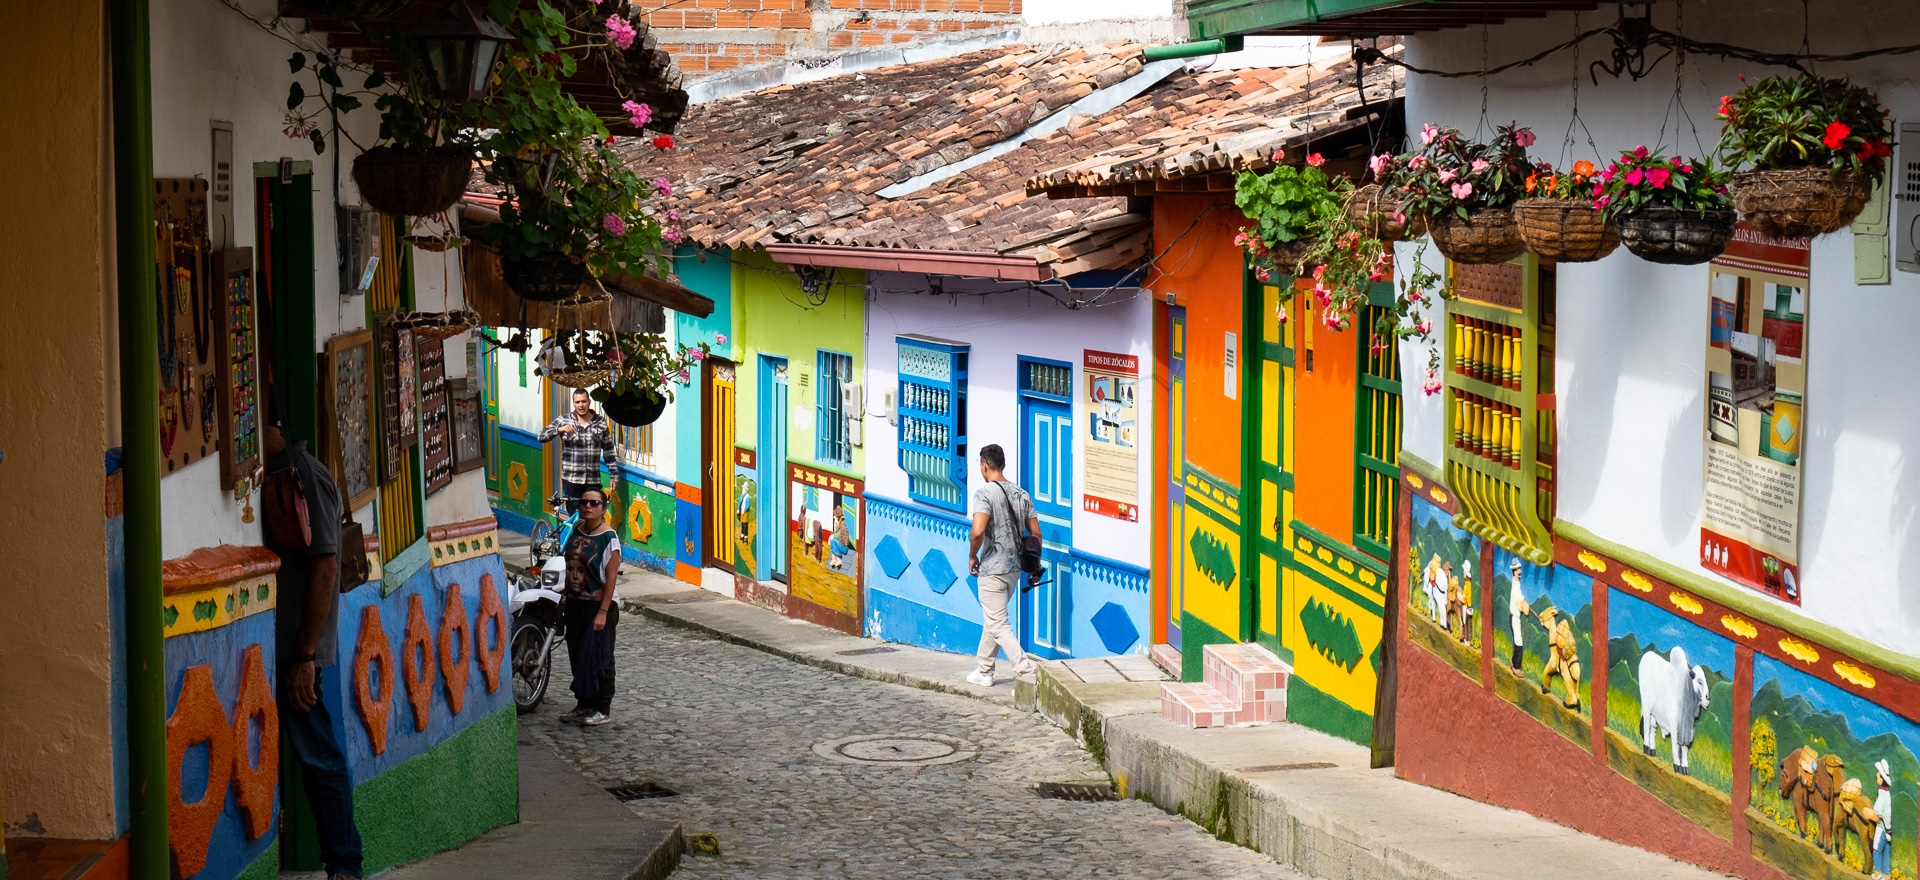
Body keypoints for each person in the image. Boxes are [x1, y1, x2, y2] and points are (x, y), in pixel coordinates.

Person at [261, 423, 362, 880]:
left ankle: (345, 864)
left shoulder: (307, 476)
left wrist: (305, 656)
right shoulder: (272, 474)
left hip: (298, 651)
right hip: (280, 646)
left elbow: (326, 566)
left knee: (320, 756)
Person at [966, 444, 1038, 688]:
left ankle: (1026, 673)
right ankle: (984, 670)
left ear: (984, 466)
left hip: (992, 569)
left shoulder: (984, 493)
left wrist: (972, 555)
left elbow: (977, 531)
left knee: (998, 624)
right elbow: (1036, 534)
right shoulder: (1022, 494)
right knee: (993, 620)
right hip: (1014, 570)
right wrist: (1034, 564)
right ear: (1003, 464)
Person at [559, 485, 623, 726]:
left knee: (601, 658)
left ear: (603, 509)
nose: (587, 506)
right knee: (577, 656)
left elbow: (611, 577)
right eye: (584, 502)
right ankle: (583, 704)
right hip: (575, 604)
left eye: (594, 503)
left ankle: (602, 707)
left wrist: (603, 613)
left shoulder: (609, 538)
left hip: (598, 606)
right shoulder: (576, 529)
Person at [537, 388, 620, 511]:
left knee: (593, 517)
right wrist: (560, 429)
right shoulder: (564, 420)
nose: (581, 405)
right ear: (574, 403)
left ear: (589, 402)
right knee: (576, 520)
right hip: (572, 480)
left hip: (593, 481)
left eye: (583, 401)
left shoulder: (600, 422)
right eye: (577, 402)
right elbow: (541, 436)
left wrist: (614, 475)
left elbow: (608, 451)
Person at [1507, 557, 1526, 674]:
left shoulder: (1516, 583)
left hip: (1515, 616)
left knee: (1517, 640)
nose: (1520, 572)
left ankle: (1514, 662)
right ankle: (1516, 667)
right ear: (1514, 571)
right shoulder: (1515, 586)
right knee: (1518, 641)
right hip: (1514, 617)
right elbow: (1517, 598)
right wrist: (1523, 604)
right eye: (1518, 569)